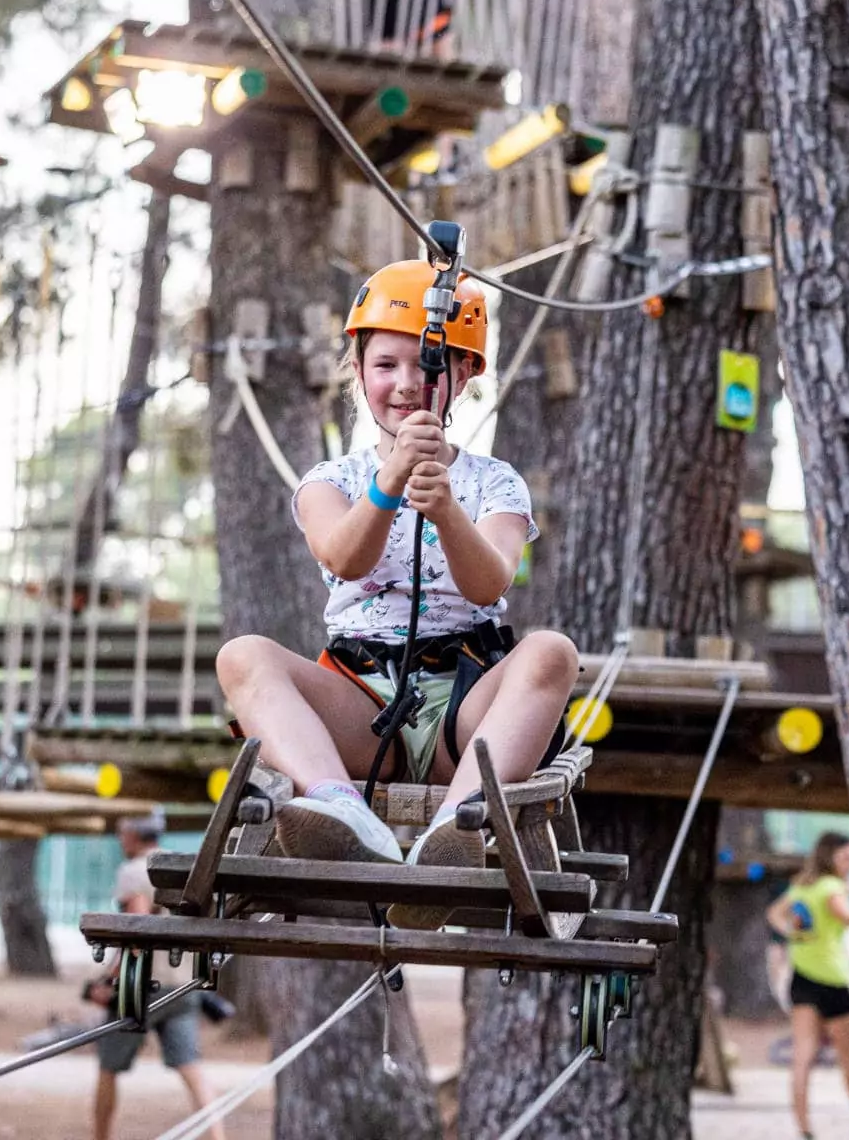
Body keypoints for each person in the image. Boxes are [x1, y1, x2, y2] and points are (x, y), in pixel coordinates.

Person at [214, 259, 579, 930]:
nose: (408, 384)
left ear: (465, 376)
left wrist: (444, 510)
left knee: (551, 651)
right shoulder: (331, 481)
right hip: (361, 700)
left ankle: (458, 829)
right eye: (385, 365)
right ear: (357, 373)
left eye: (429, 368)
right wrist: (390, 483)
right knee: (242, 656)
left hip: (464, 703)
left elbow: (490, 582)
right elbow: (345, 557)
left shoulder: (496, 483)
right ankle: (337, 807)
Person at [88, 815, 225, 1140]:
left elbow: (136, 930)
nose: (121, 839)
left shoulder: (135, 871)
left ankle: (100, 1137)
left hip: (143, 987)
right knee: (192, 1069)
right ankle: (218, 1137)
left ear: (133, 835)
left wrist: (109, 982)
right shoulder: (181, 869)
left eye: (122, 832)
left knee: (109, 1066)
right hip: (182, 984)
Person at [765, 831, 849, 1139]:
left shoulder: (802, 886)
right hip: (833, 980)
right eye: (845, 858)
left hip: (801, 978)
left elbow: (774, 914)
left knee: (802, 1055)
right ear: (829, 857)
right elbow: (844, 917)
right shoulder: (832, 886)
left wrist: (792, 933)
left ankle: (804, 1128)